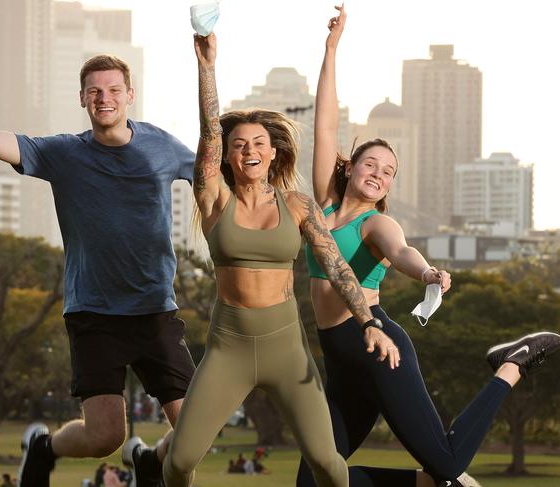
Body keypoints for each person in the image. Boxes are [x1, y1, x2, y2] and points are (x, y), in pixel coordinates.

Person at [296, 4, 560, 487]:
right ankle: (425, 485)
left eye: (388, 171)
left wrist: (427, 274)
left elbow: (402, 253)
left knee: (446, 461)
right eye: (370, 164)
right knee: (315, 482)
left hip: (378, 346)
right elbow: (325, 122)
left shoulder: (378, 225)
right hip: (338, 359)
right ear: (350, 166)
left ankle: (511, 366)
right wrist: (331, 49)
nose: (378, 174)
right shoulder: (326, 205)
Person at [0, 19, 196, 487]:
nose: (104, 98)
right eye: (94, 91)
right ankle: (44, 446)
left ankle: (149, 461)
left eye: (113, 89)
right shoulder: (64, 153)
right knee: (105, 436)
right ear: (82, 99)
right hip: (95, 315)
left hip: (155, 312)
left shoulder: (163, 146)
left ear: (130, 95)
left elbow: (213, 175)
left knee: (195, 430)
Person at [161, 30, 401, 487]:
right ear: (228, 157)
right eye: (239, 145)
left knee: (329, 463)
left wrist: (369, 322)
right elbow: (210, 130)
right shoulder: (214, 200)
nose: (248, 149)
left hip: (286, 348)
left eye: (257, 143)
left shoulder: (298, 205)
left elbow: (336, 265)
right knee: (178, 461)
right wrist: (207, 67)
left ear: (272, 153)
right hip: (228, 346)